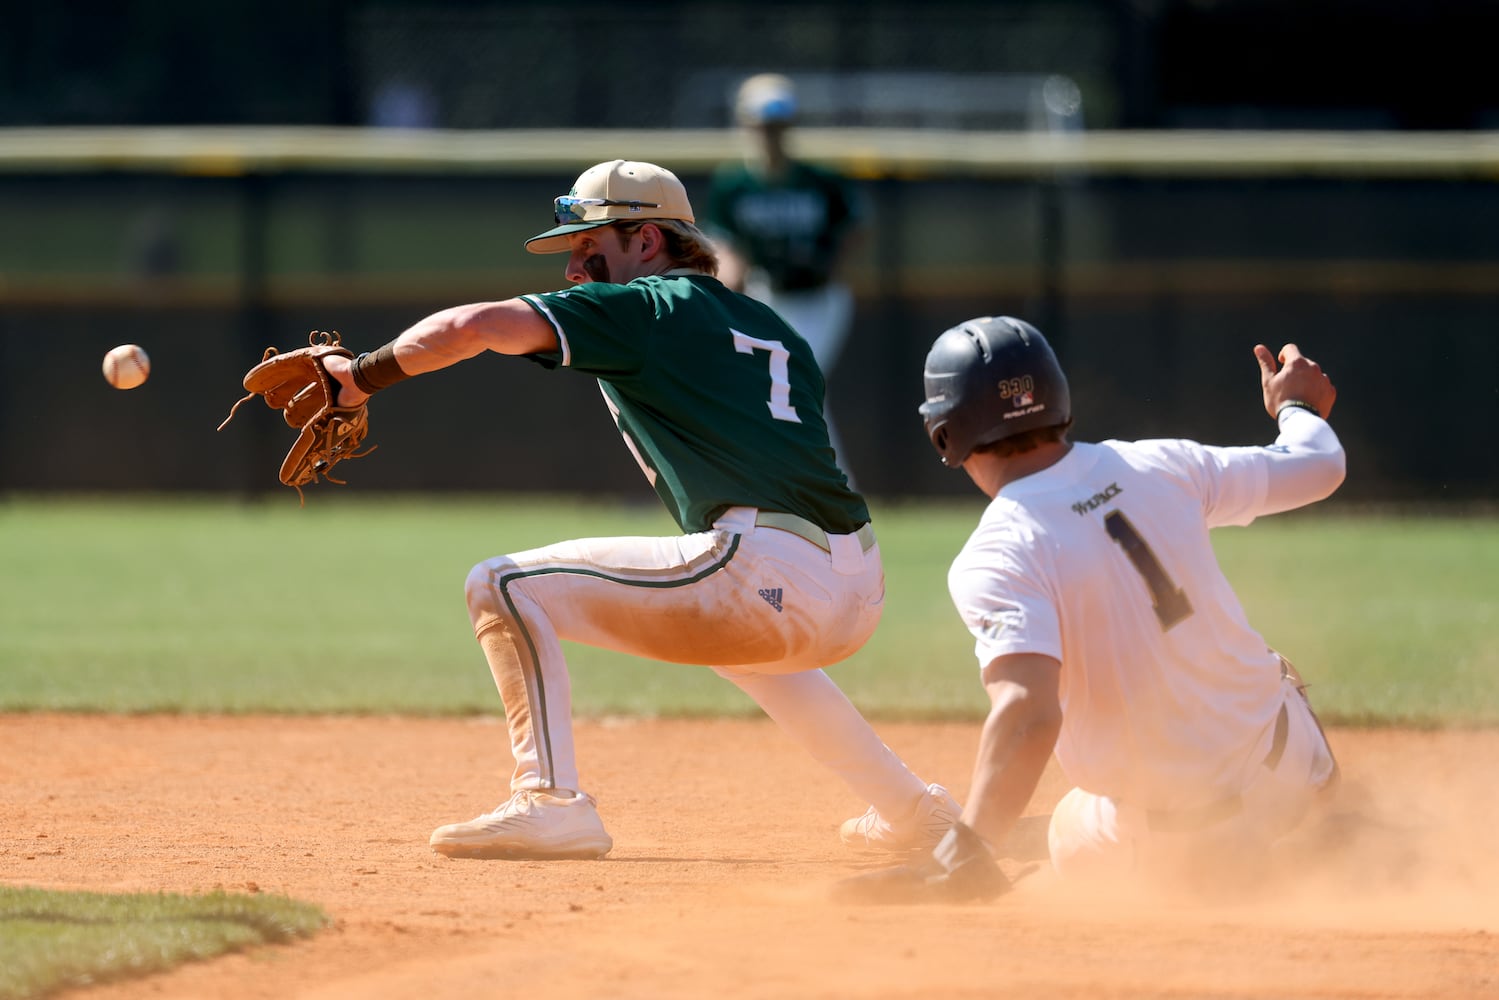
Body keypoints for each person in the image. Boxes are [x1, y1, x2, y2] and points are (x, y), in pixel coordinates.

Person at [321, 159, 958, 861]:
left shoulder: (648, 308)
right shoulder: (771, 329)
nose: (573, 266)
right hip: (857, 586)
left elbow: (473, 324)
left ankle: (549, 801)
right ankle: (912, 810)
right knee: (747, 652)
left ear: (647, 240)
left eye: (587, 244)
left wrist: (359, 376)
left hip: (764, 567)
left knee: (501, 585)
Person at [835, 316, 1345, 903]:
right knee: (1272, 668)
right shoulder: (1162, 462)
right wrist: (1296, 407)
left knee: (1070, 827)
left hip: (1177, 846)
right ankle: (1320, 814)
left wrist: (967, 852)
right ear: (1061, 401)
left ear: (944, 436)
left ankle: (1204, 869)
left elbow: (1030, 716)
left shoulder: (996, 553)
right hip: (1288, 771)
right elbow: (1320, 466)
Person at [705, 73, 864, 480]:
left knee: (796, 383)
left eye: (776, 126)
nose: (770, 135)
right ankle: (816, 486)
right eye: (762, 125)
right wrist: (731, 279)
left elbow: (855, 228)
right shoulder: (733, 184)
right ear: (746, 124)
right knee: (780, 390)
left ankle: (832, 487)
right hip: (766, 297)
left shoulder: (821, 180)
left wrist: (828, 262)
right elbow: (726, 248)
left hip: (818, 300)